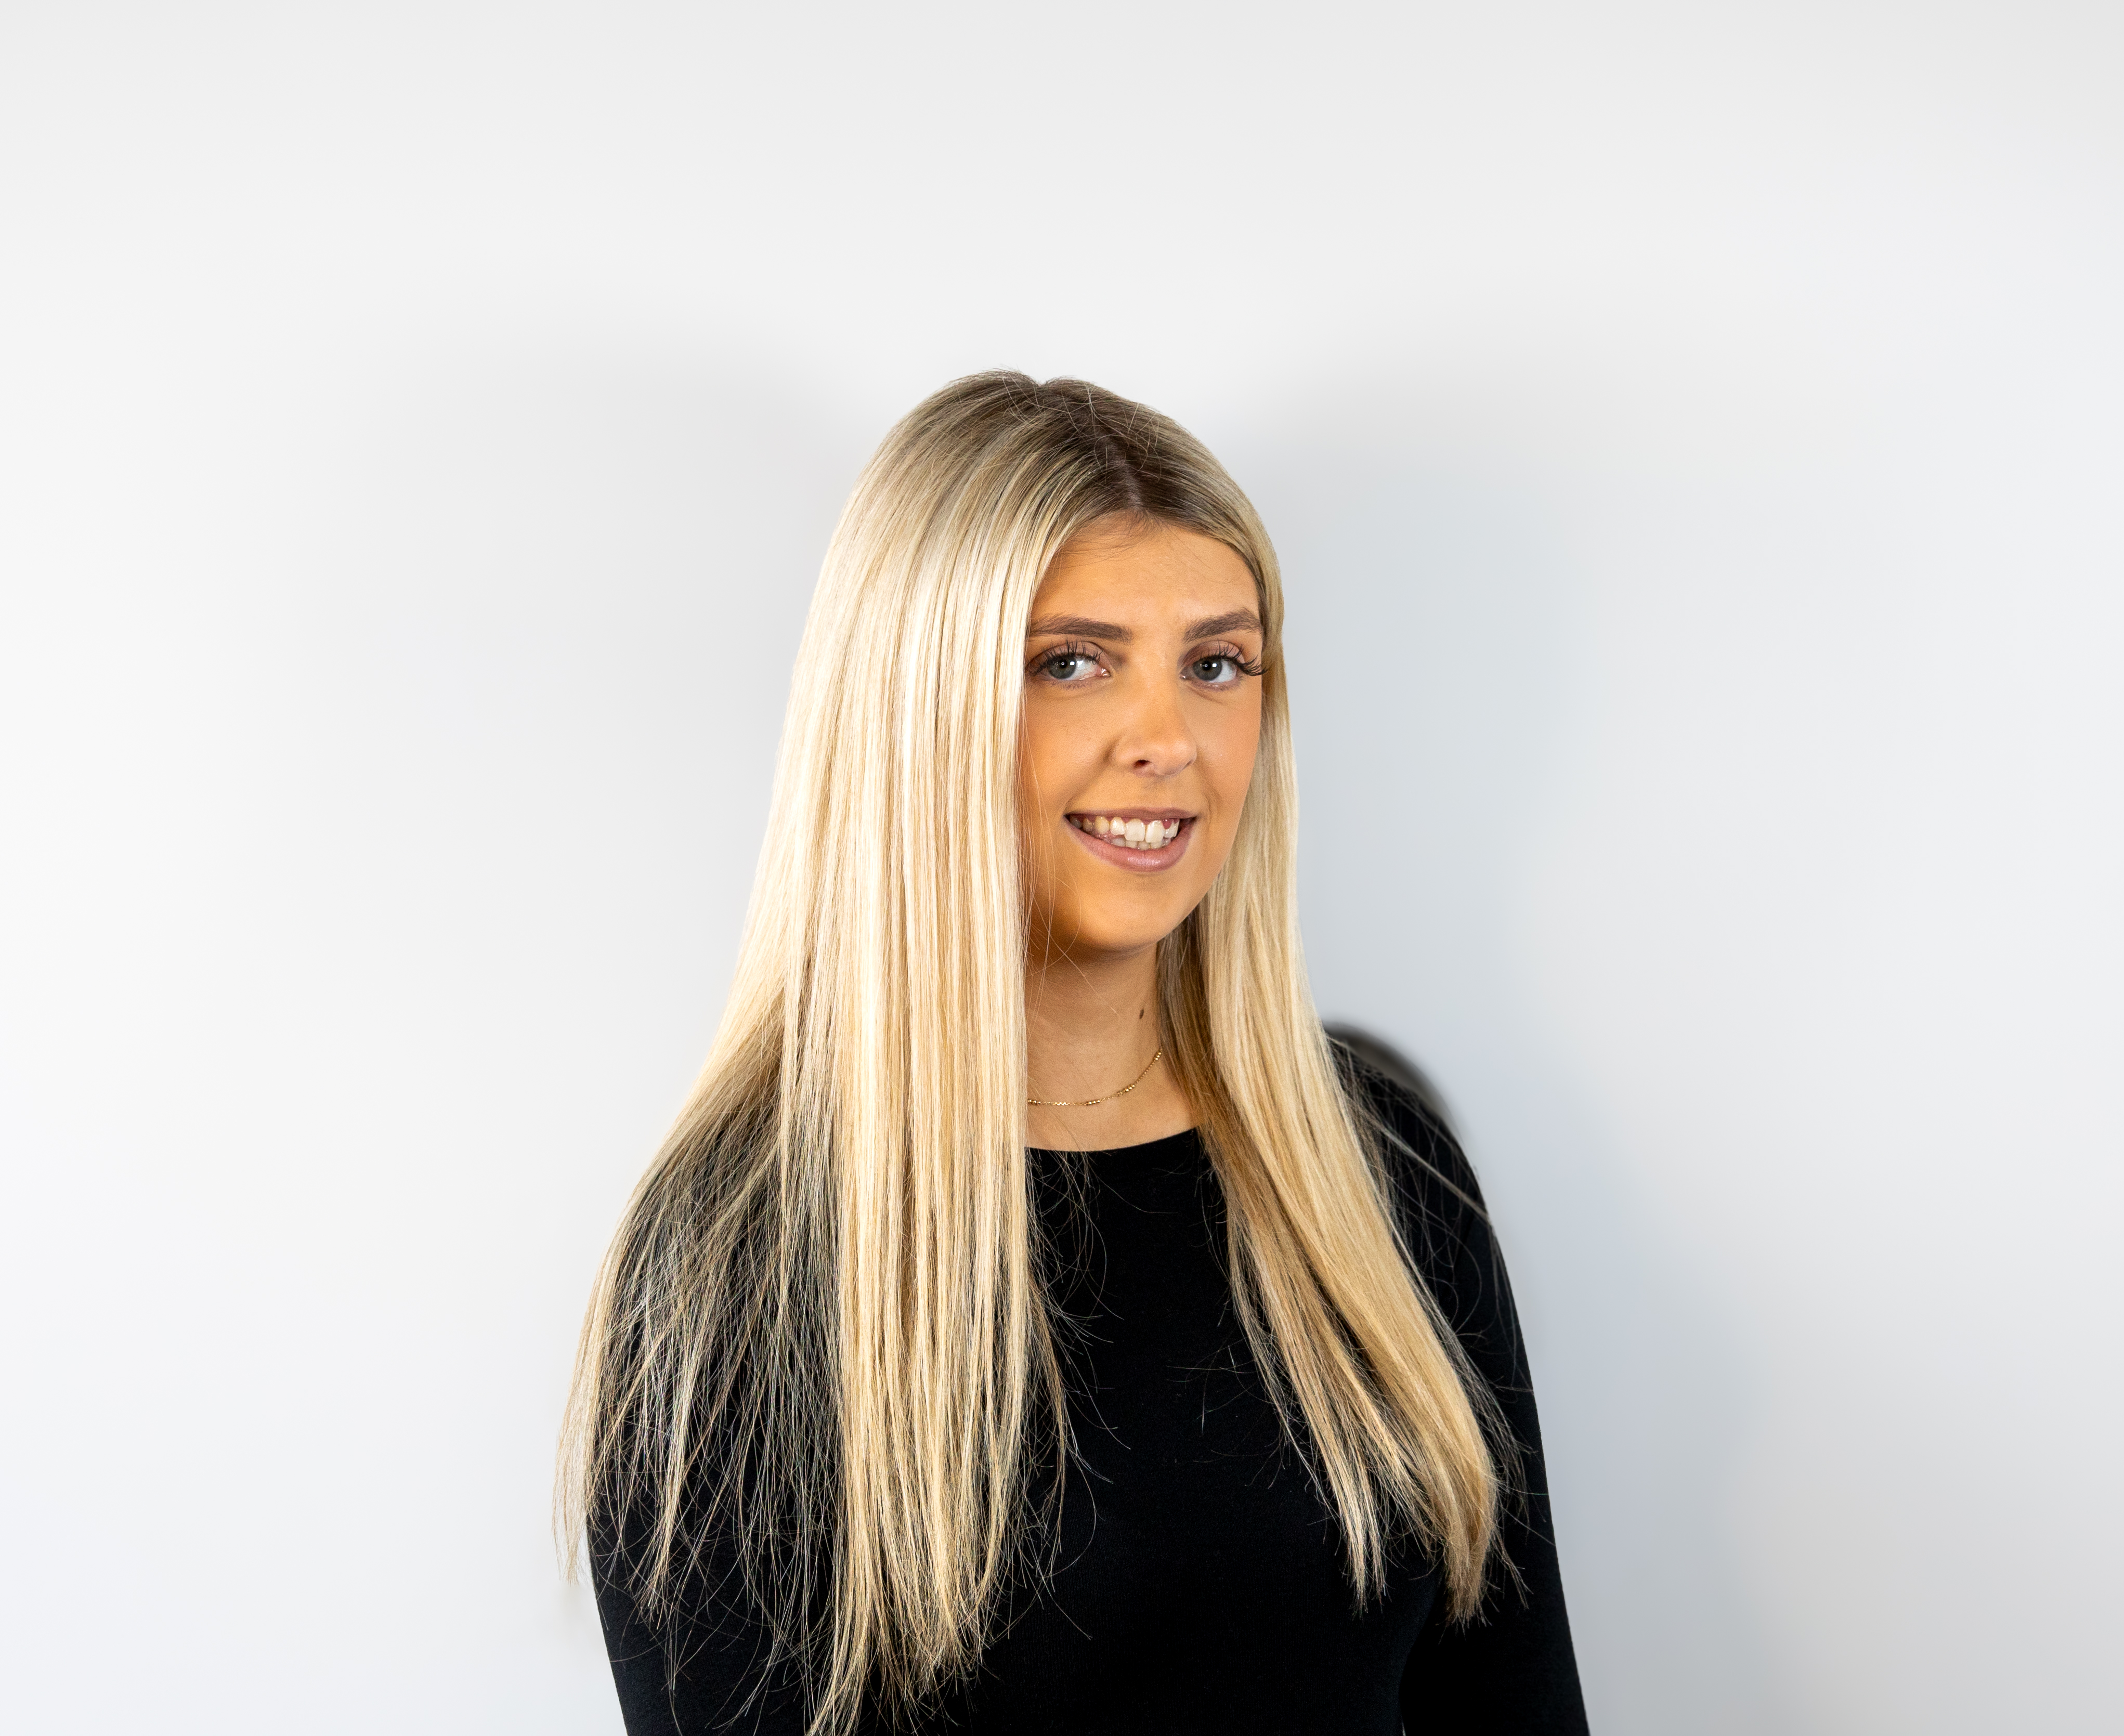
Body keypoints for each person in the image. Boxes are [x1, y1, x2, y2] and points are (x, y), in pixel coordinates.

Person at [560, 373, 1587, 1734]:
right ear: (917, 709)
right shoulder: (739, 1255)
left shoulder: (1378, 1164)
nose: (1167, 740)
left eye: (1216, 664)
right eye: (1071, 662)